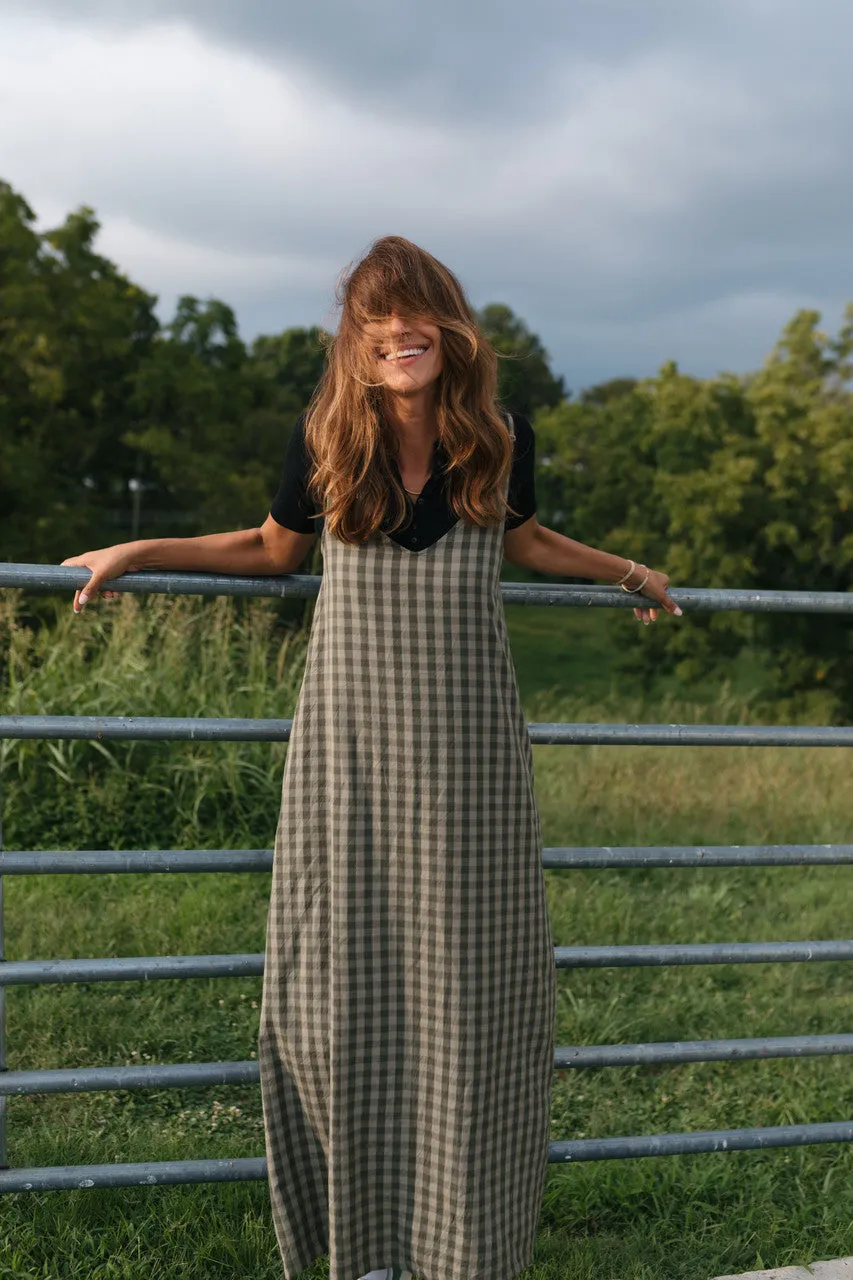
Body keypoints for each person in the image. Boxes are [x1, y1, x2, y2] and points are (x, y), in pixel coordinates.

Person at [62, 235, 681, 1280]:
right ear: (354, 342)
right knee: (335, 982)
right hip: (347, 754)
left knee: (475, 988)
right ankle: (356, 1238)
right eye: (377, 319)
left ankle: (462, 1243)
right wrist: (136, 548)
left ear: (450, 325)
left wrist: (631, 571)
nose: (401, 331)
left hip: (471, 755)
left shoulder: (497, 437)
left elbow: (525, 542)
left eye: (418, 312)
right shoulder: (325, 440)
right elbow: (268, 550)